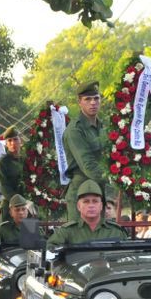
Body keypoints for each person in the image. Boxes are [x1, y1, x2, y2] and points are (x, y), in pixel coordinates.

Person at [63, 82, 107, 222]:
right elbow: (89, 166)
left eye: (96, 98)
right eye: (88, 99)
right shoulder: (75, 130)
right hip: (81, 194)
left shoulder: (103, 126)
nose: (93, 103)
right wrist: (117, 179)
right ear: (79, 102)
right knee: (81, 241)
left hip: (99, 192)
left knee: (101, 242)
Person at [48, 181, 127, 247]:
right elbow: (50, 253)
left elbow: (124, 258)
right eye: (86, 201)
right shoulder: (66, 232)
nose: (91, 205)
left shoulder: (116, 232)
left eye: (95, 201)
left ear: (101, 206)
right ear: (79, 206)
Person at [0, 126, 24, 220]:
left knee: (30, 234)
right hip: (10, 207)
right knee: (9, 234)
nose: (13, 143)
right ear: (6, 144)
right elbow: (4, 187)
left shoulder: (26, 160)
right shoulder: (3, 162)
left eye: (15, 139)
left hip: (27, 207)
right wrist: (20, 203)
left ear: (21, 141)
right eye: (9, 141)